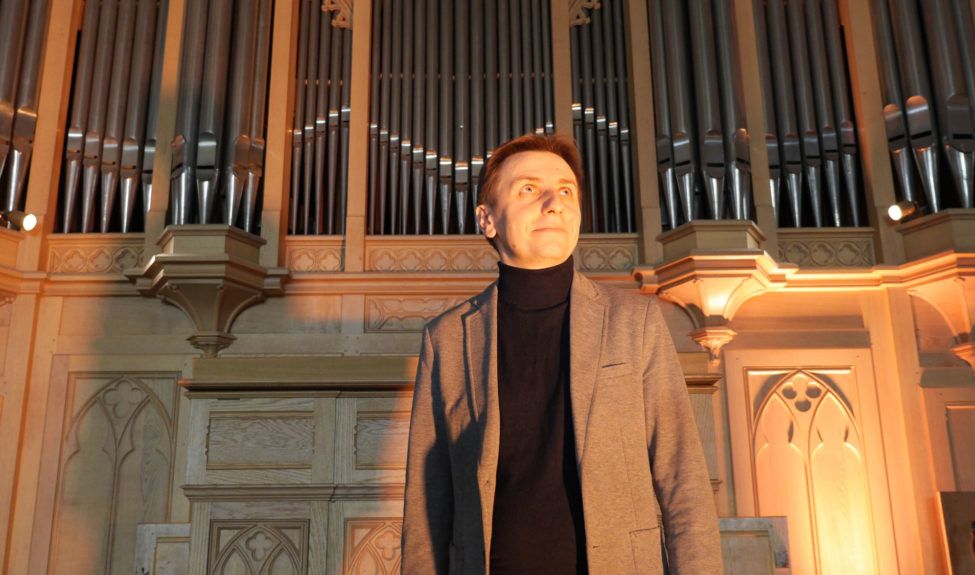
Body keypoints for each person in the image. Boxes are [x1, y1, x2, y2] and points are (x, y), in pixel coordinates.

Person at [402, 132, 721, 574]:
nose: (555, 202)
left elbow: (681, 477)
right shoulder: (447, 338)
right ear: (487, 219)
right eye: (529, 189)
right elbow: (428, 499)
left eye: (566, 191)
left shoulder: (636, 321)